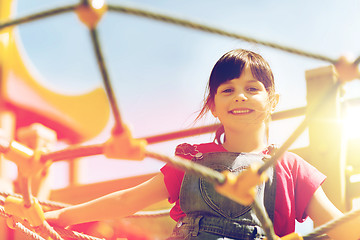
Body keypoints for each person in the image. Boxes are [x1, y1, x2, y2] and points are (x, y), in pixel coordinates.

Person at [45, 49, 359, 239]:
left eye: (252, 88)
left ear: (273, 101)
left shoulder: (291, 168)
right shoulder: (192, 161)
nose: (240, 95)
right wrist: (63, 216)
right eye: (228, 89)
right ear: (212, 104)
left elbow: (337, 223)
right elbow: (128, 200)